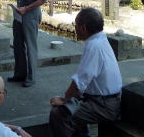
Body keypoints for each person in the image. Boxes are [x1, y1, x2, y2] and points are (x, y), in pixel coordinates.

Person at [49, 8, 122, 137]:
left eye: (75, 25)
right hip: (104, 100)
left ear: (83, 28)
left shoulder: (93, 45)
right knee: (74, 105)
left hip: (104, 105)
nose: (75, 28)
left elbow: (80, 80)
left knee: (59, 114)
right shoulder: (101, 40)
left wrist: (65, 99)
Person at [0, 0, 47, 87]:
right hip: (19, 14)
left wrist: (26, 8)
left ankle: (31, 78)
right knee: (18, 46)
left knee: (31, 46)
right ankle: (19, 74)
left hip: (30, 15)